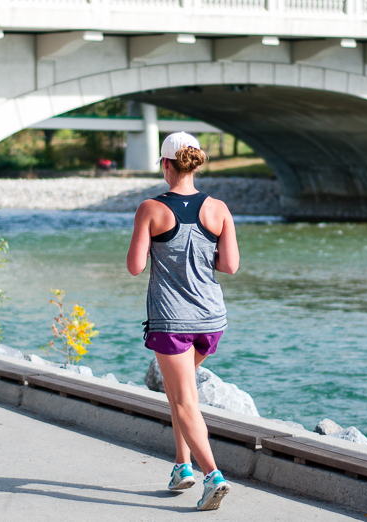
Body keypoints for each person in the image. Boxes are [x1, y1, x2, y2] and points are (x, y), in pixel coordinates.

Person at [126, 132, 240, 511]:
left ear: (165, 165)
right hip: (211, 320)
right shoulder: (219, 209)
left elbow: (135, 267)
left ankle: (213, 476)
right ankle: (181, 465)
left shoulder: (151, 209)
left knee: (184, 399)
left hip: (172, 321)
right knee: (182, 393)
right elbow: (230, 266)